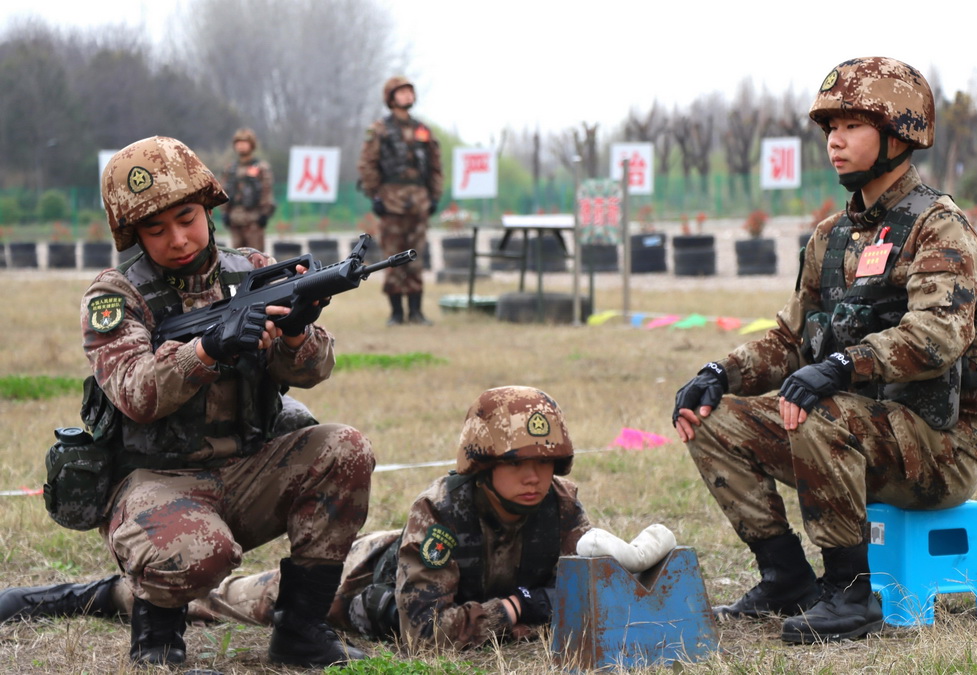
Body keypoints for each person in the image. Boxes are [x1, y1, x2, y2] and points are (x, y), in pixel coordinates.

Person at [672, 57, 977, 644]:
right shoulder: (831, 237)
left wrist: (844, 364)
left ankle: (851, 596)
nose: (835, 141)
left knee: (822, 411)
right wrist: (719, 372)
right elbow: (792, 341)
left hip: (941, 446)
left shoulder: (940, 227)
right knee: (711, 419)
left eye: (852, 126)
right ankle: (787, 578)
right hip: (853, 431)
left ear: (899, 134)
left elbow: (937, 337)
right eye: (829, 129)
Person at [2, 387, 672, 651]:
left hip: (449, 590)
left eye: (548, 461)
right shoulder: (441, 512)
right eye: (520, 461)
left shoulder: (559, 505)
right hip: (359, 583)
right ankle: (92, 593)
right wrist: (520, 606)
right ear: (480, 461)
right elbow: (425, 639)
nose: (537, 475)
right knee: (222, 597)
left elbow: (604, 580)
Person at [62, 135, 373, 667]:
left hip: (247, 467)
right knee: (201, 551)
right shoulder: (116, 297)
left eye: (187, 218)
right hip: (155, 481)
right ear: (132, 234)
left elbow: (316, 370)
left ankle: (300, 629)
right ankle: (157, 637)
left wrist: (296, 335)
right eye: (155, 230)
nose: (178, 239)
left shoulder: (253, 269)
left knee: (345, 449)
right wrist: (205, 351)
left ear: (207, 206)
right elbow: (136, 392)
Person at [358, 76, 443, 326]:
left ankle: (416, 311)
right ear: (391, 97)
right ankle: (396, 313)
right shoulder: (380, 130)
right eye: (402, 92)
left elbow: (436, 167)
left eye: (410, 91)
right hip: (391, 202)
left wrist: (434, 196)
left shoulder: (423, 130)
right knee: (393, 257)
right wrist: (375, 195)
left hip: (419, 202)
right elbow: (367, 165)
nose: (407, 95)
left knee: (417, 257)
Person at [221, 128, 276, 252]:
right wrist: (225, 212)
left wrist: (264, 214)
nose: (241, 146)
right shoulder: (230, 169)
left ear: (252, 145)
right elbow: (224, 190)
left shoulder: (261, 168)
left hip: (254, 221)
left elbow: (266, 191)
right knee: (236, 258)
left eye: (244, 142)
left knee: (256, 258)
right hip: (235, 220)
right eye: (238, 142)